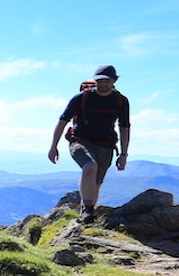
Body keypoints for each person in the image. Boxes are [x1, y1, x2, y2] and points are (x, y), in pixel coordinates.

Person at [48, 65, 130, 221]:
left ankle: (87, 215)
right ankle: (88, 210)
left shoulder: (120, 101)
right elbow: (62, 121)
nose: (103, 84)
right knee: (90, 168)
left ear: (114, 81)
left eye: (107, 81)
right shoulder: (81, 97)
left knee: (97, 182)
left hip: (106, 145)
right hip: (80, 141)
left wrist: (124, 154)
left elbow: (124, 127)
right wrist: (53, 146)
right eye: (100, 81)